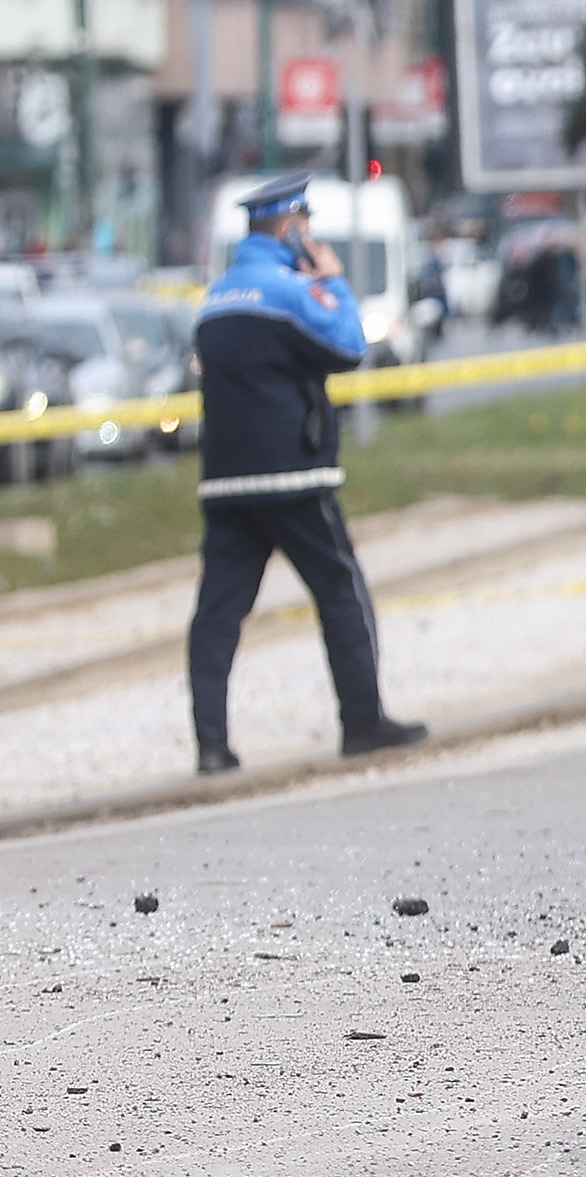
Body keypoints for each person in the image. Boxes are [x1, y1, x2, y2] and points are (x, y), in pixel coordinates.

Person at [187, 172, 425, 774]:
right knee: (341, 592)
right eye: (307, 226)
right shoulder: (292, 292)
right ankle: (364, 723)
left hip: (224, 482)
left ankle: (212, 746)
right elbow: (349, 346)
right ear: (291, 230)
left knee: (217, 615)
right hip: (293, 477)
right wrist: (334, 280)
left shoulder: (214, 300)